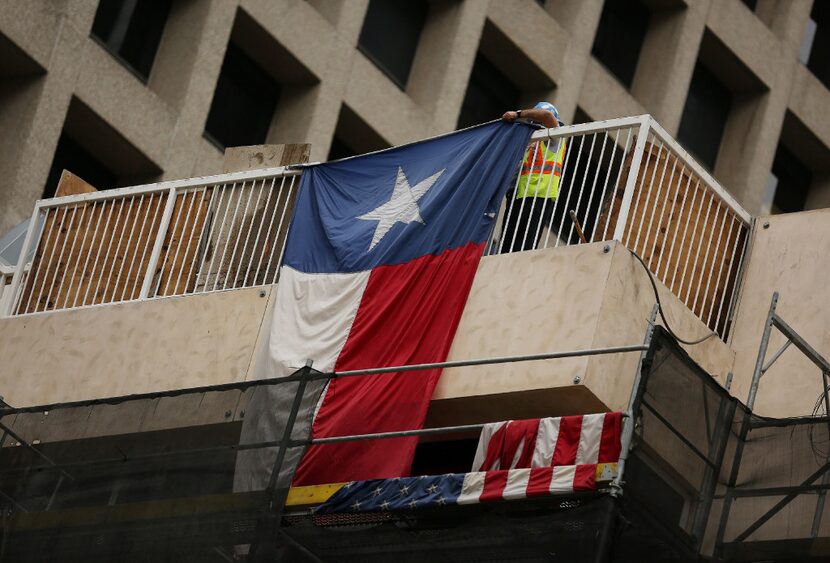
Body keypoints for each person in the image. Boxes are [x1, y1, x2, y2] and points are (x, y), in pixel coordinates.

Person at [500, 102, 566, 252]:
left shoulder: (554, 139)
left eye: (538, 123)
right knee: (506, 249)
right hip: (518, 198)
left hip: (538, 198)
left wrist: (518, 114)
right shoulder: (529, 145)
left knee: (523, 248)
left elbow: (546, 115)